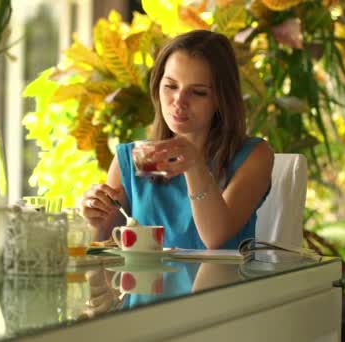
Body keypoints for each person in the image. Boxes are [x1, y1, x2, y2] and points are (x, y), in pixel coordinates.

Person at [82, 29, 274, 249]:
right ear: (157, 87)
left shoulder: (253, 156)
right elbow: (102, 251)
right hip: (145, 283)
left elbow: (215, 238)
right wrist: (94, 220)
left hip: (225, 283)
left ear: (221, 99)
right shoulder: (133, 159)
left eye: (198, 92)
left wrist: (194, 165)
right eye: (171, 86)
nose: (179, 101)